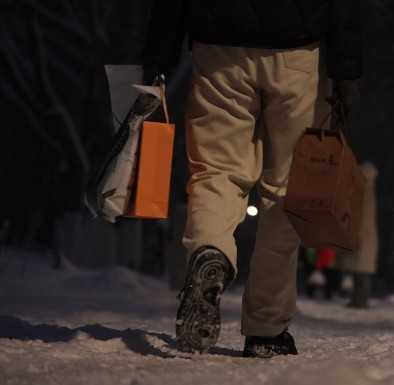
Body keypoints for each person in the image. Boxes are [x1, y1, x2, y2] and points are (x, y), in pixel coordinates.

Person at [142, 1, 362, 357]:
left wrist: (158, 55)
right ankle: (266, 329)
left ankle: (208, 249)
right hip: (297, 52)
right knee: (289, 191)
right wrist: (347, 71)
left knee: (216, 172)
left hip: (218, 50)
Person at [333, 162, 379, 308]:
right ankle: (358, 299)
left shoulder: (365, 191)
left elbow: (365, 215)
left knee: (361, 271)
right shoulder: (364, 189)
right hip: (363, 234)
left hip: (363, 235)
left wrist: (360, 234)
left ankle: (361, 300)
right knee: (358, 269)